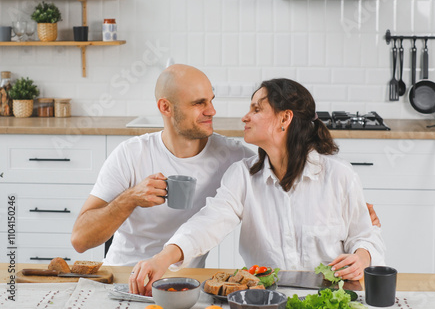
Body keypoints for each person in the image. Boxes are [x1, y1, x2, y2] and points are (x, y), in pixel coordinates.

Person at [129, 78, 385, 296]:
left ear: (284, 118)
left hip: (330, 297)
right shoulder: (242, 176)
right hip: (267, 300)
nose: (245, 116)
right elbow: (207, 224)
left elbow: (365, 235)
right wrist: (163, 258)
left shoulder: (339, 176)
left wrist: (362, 257)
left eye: (256, 109)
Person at [70, 64, 254, 267]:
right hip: (123, 274)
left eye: (211, 100)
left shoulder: (233, 157)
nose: (212, 111)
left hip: (185, 284)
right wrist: (130, 199)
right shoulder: (131, 154)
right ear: (165, 107)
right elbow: (80, 239)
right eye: (199, 103)